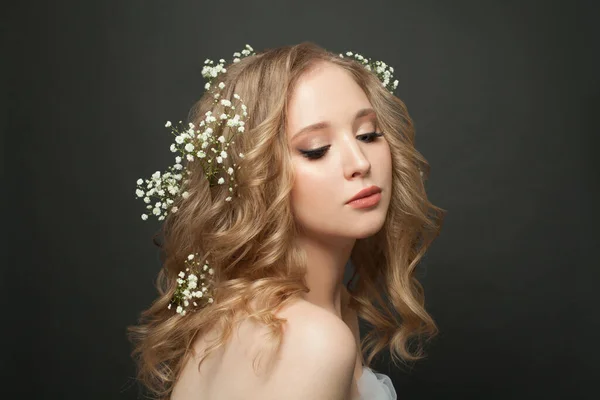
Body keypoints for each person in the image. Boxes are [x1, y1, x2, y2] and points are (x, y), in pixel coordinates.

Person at [128, 42, 445, 400]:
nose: (360, 161)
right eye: (316, 149)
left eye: (368, 134)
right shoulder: (312, 342)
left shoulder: (322, 312)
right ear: (256, 177)